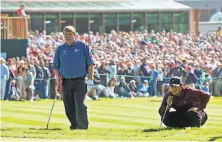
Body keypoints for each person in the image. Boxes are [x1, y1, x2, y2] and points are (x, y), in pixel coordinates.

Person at [53, 26, 95, 130]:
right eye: (65, 34)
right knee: (68, 105)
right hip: (66, 81)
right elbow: (56, 67)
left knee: (79, 104)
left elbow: (90, 64)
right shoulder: (60, 49)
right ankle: (74, 125)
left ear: (74, 35)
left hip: (80, 80)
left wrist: (90, 80)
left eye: (70, 34)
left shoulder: (83, 46)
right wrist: (58, 81)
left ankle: (83, 127)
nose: (67, 36)